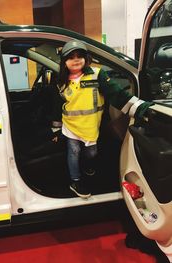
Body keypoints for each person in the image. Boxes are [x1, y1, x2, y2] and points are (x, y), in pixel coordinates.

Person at [57, 40, 153, 199]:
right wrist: (55, 127)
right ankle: (75, 180)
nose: (76, 60)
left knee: (91, 153)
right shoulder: (61, 79)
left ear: (86, 58)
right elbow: (58, 104)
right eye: (70, 57)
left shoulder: (97, 74)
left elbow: (117, 94)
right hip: (70, 126)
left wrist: (140, 108)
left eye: (79, 56)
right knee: (73, 153)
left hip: (90, 126)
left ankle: (87, 166)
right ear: (64, 61)